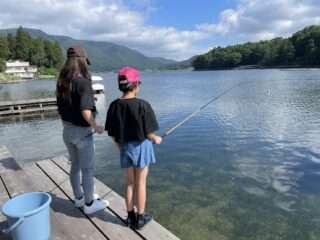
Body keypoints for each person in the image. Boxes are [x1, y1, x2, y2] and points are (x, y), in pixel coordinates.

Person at [105, 67, 162, 229]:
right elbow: (149, 134)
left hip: (124, 148)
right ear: (136, 84)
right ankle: (141, 218)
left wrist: (120, 147)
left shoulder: (114, 106)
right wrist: (156, 139)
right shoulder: (143, 105)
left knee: (130, 183)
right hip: (142, 148)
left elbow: (113, 134)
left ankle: (129, 216)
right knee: (141, 183)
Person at [56, 45, 108, 215]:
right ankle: (89, 203)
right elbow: (86, 112)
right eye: (86, 61)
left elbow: (64, 106)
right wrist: (97, 127)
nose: (87, 64)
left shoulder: (62, 82)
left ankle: (79, 198)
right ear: (82, 60)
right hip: (82, 134)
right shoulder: (84, 82)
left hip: (67, 131)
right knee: (87, 169)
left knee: (75, 167)